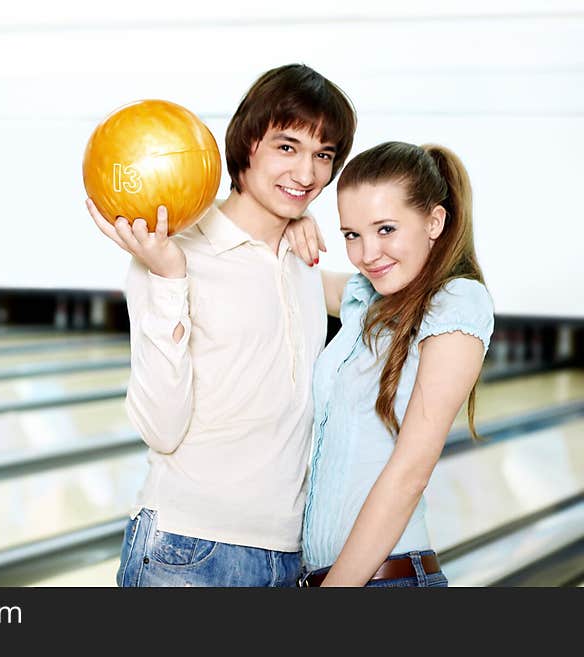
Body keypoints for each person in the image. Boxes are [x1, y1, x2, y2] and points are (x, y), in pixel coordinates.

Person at [86, 64, 356, 586]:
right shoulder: (176, 254)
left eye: (323, 155)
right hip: (188, 549)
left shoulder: (302, 254)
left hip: (287, 553)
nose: (307, 174)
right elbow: (159, 429)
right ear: (247, 143)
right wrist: (168, 278)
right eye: (287, 147)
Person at [288, 141, 494, 587]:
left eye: (385, 229)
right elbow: (286, 274)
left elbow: (409, 472)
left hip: (387, 582)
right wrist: (290, 224)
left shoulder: (456, 302)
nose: (367, 253)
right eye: (351, 235)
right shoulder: (367, 298)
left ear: (434, 221)